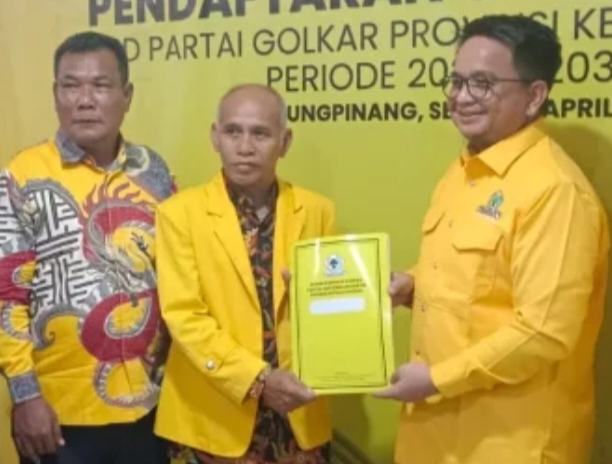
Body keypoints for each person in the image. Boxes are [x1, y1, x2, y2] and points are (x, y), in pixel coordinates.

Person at [374, 14, 609, 464]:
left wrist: (437, 379)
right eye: (457, 80)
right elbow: (479, 276)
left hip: (509, 444)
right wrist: (413, 284)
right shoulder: (464, 169)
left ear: (534, 95)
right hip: (436, 437)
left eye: (482, 84)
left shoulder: (555, 190)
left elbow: (543, 333)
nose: (461, 97)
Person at [0, 31, 175, 464]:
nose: (84, 100)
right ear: (55, 95)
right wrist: (25, 396)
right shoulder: (22, 176)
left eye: (100, 85)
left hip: (151, 404)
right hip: (58, 416)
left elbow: (177, 275)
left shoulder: (153, 171)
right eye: (71, 86)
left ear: (126, 95)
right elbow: (6, 294)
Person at [154, 83, 334, 464]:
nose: (245, 146)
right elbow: (185, 317)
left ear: (285, 142)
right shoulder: (179, 214)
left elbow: (332, 307)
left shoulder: (317, 211)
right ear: (215, 137)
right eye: (233, 131)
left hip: (296, 419)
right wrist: (258, 380)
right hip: (212, 421)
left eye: (260, 133)